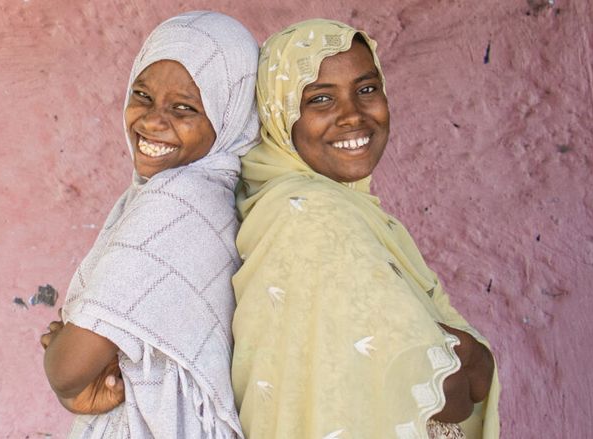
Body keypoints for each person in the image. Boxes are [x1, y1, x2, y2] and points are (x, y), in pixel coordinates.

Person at [231, 19, 500, 439]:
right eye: (320, 98)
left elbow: (469, 376)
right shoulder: (311, 215)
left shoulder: (340, 210)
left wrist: (450, 352)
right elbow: (450, 389)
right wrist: (460, 350)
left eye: (367, 89)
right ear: (279, 114)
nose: (353, 115)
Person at [40, 11, 259, 438]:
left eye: (184, 108)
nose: (153, 121)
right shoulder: (222, 201)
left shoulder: (176, 201)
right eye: (142, 95)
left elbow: (68, 368)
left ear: (230, 112)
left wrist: (66, 373)